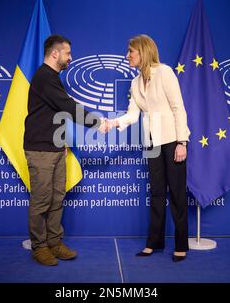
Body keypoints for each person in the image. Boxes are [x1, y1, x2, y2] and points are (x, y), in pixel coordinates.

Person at [105, 34, 190, 262]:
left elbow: (178, 108)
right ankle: (154, 242)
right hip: (151, 143)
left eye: (131, 51)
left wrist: (182, 142)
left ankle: (181, 245)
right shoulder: (135, 83)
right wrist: (112, 123)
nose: (128, 55)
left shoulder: (165, 72)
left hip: (172, 141)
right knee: (156, 193)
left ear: (143, 52)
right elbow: (133, 114)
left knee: (178, 195)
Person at [24, 34, 101, 266]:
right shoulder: (44, 77)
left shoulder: (53, 78)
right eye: (67, 53)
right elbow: (67, 107)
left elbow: (59, 111)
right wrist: (98, 122)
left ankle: (55, 243)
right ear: (55, 53)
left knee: (57, 198)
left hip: (57, 149)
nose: (70, 57)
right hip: (41, 151)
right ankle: (40, 247)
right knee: (41, 201)